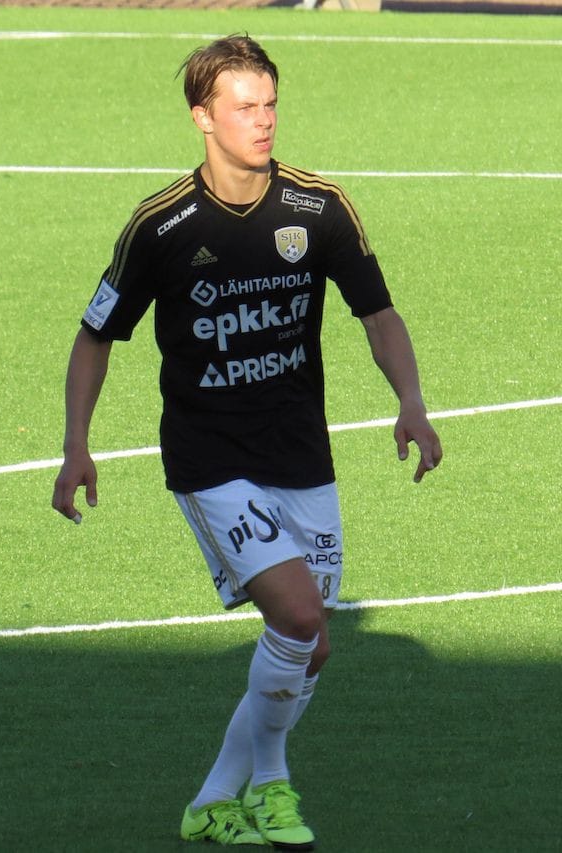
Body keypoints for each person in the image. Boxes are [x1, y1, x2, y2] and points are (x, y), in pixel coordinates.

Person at [52, 35, 442, 850]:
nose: (263, 121)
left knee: (313, 644)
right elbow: (95, 336)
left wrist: (410, 401)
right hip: (211, 458)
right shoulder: (162, 226)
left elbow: (378, 314)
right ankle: (273, 783)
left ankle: (213, 800)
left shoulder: (318, 208)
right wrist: (75, 445)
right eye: (244, 107)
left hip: (301, 454)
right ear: (203, 117)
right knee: (297, 615)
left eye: (270, 105)